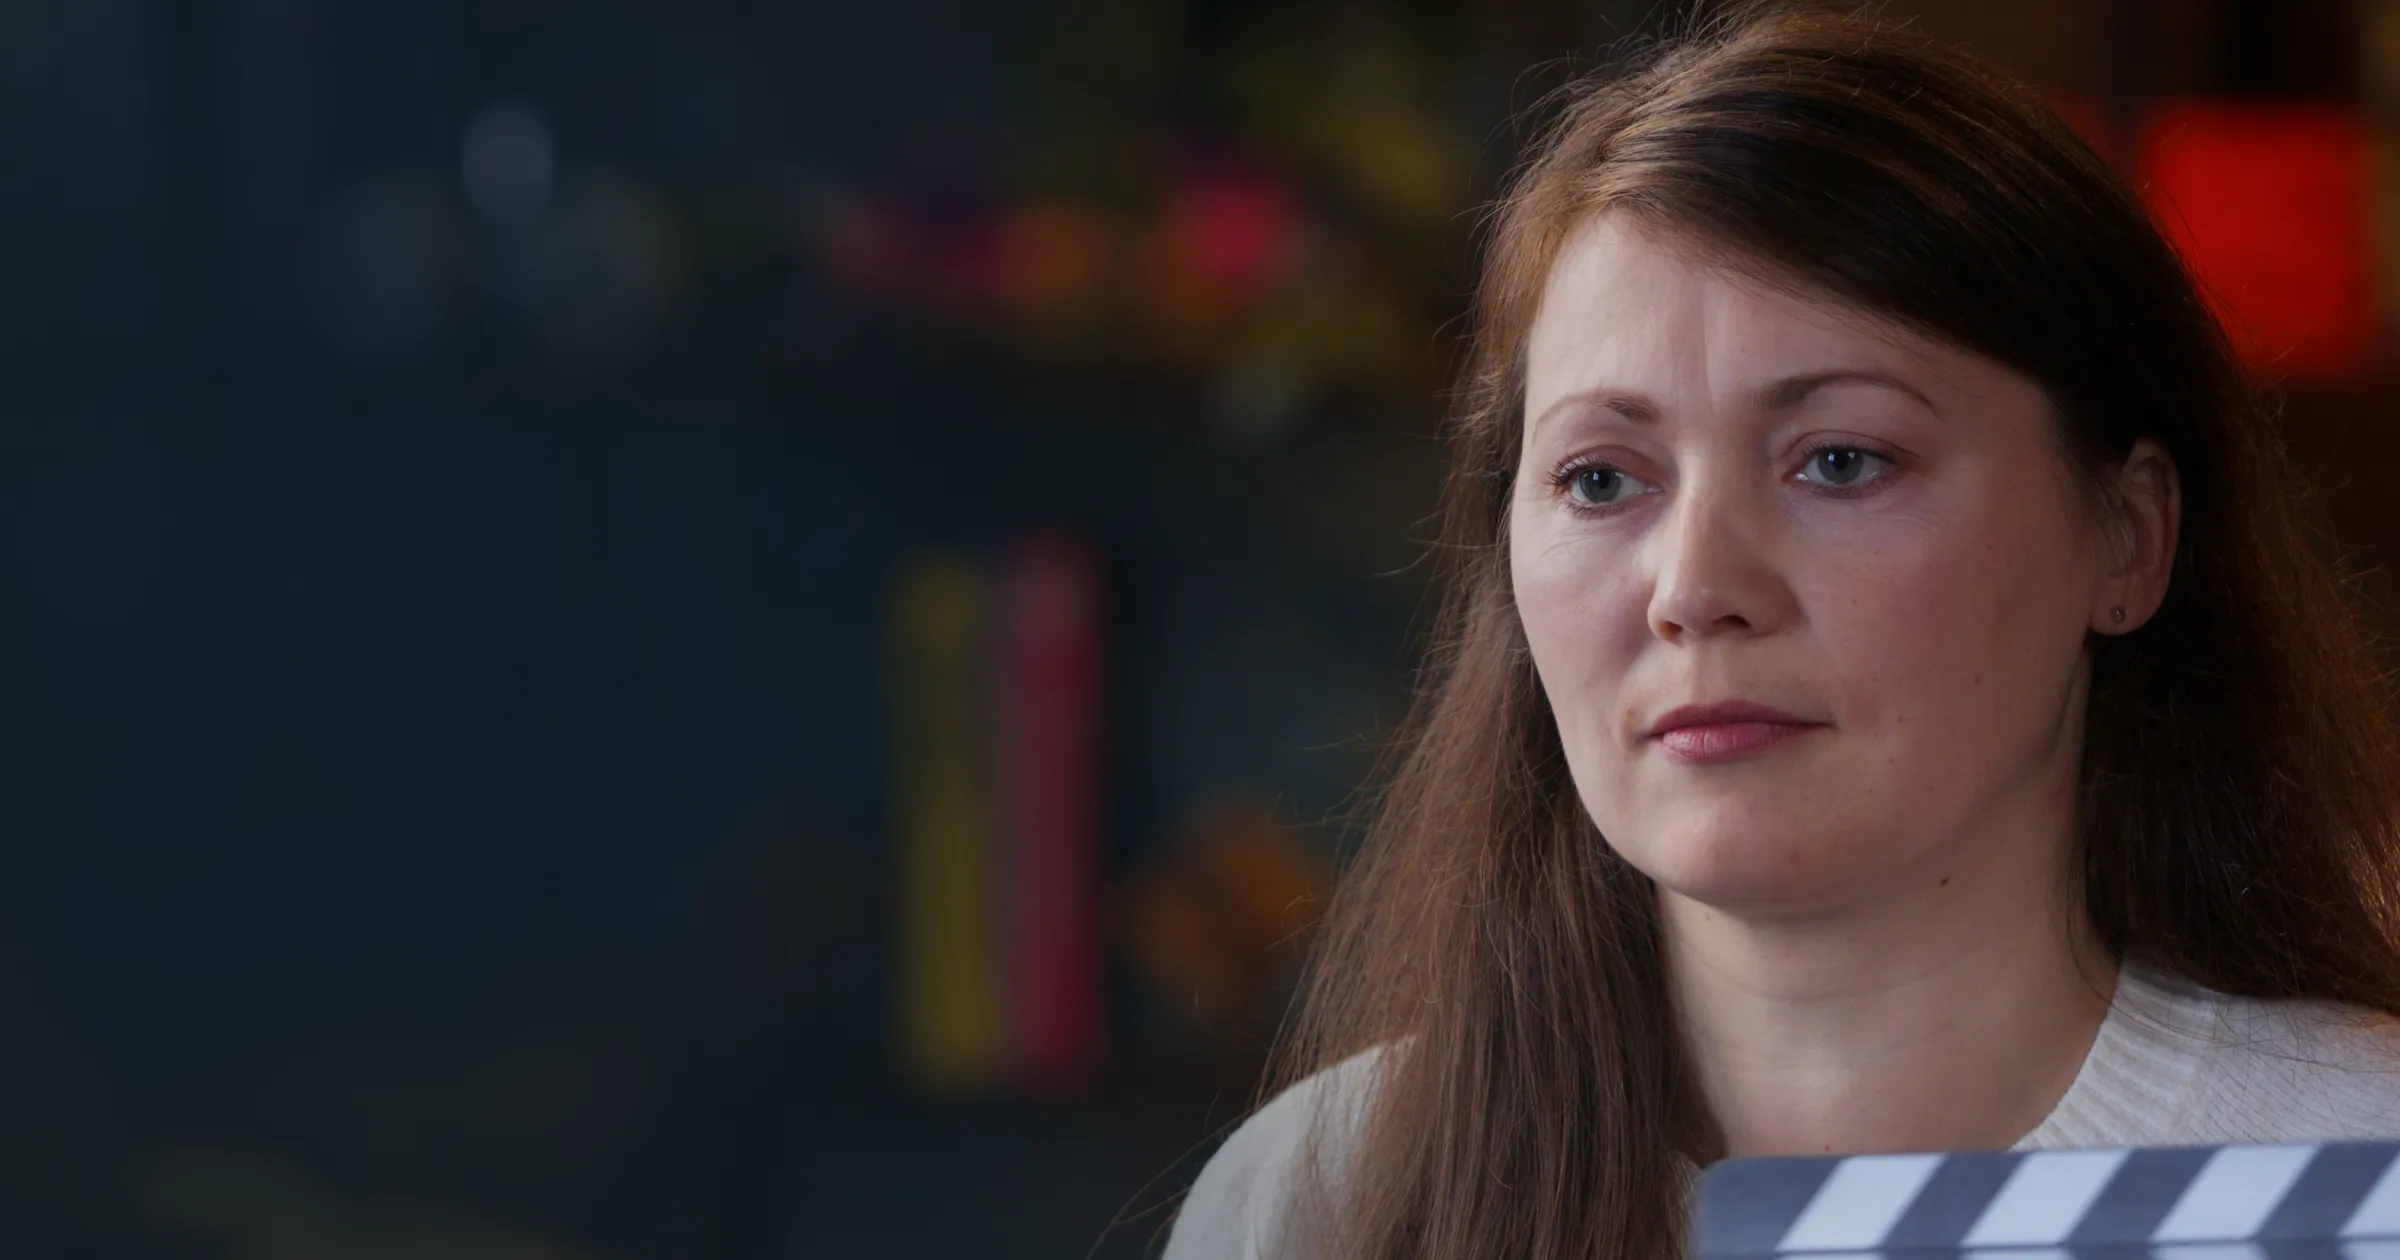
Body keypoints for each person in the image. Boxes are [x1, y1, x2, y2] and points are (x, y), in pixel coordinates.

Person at [1160, 5, 2400, 1259]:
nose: (1695, 586)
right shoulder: (1312, 1208)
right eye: (1601, 479)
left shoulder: (2366, 1159)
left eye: (1841, 461)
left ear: (2127, 537)